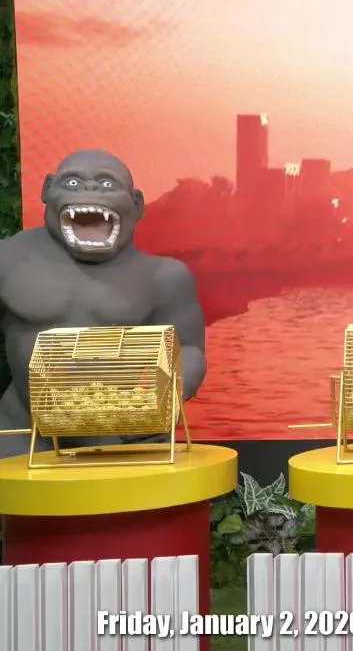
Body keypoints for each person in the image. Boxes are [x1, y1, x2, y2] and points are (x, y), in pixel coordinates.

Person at [0, 150, 207, 458]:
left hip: (122, 438)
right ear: (47, 190)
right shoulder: (8, 260)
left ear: (136, 204)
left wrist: (162, 401)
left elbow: (188, 351)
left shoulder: (164, 277)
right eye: (72, 182)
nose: (89, 189)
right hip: (22, 432)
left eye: (107, 184)